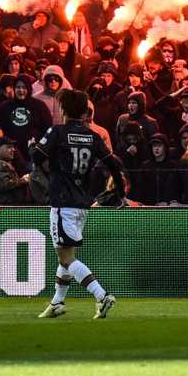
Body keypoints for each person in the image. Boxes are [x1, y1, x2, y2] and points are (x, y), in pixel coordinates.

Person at [32, 87, 127, 321]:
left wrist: (40, 150)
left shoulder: (57, 132)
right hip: (81, 203)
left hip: (62, 202)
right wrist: (121, 191)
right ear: (85, 111)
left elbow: (36, 157)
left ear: (63, 108)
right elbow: (113, 164)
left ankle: (101, 295)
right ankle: (57, 302)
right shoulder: (92, 136)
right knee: (65, 255)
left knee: (66, 258)